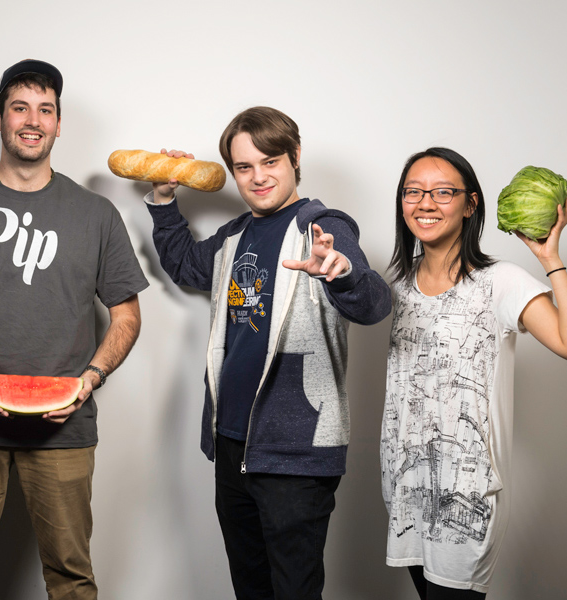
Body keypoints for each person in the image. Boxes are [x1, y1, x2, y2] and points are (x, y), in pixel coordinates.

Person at [0, 59, 148, 600]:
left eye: (46, 109)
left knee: (72, 579)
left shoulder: (97, 214)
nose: (32, 120)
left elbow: (127, 316)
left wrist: (89, 377)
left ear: (59, 124)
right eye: (20, 108)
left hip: (65, 425)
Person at [142, 106, 391, 600]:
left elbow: (374, 303)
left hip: (295, 449)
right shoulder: (235, 235)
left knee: (294, 591)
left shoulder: (324, 226)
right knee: (251, 588)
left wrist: (340, 272)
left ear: (295, 158)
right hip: (233, 442)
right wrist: (164, 199)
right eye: (243, 167)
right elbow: (188, 266)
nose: (257, 178)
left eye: (270, 162)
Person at [381, 148, 567, 599]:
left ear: (470, 204)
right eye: (413, 192)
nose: (425, 203)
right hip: (406, 487)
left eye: (443, 192)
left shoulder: (499, 280)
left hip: (468, 495)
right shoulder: (396, 286)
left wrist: (550, 257)